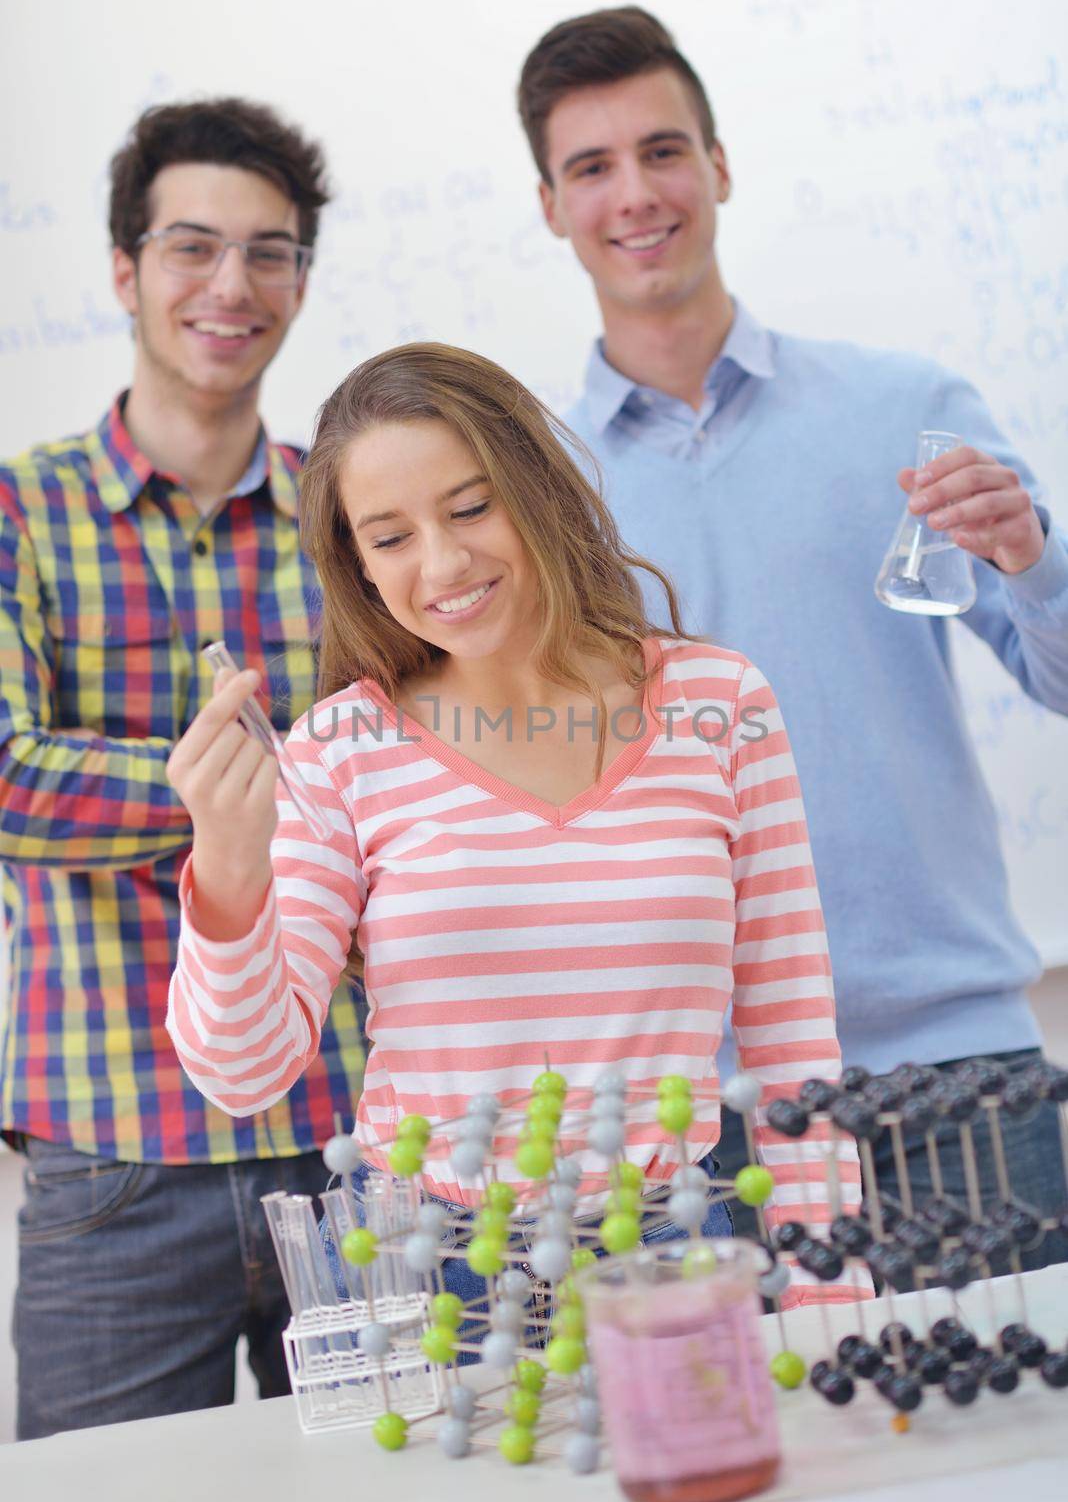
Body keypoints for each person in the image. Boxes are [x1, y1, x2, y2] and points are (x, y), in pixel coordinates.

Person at [516, 5, 1068, 1257]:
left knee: (1033, 1451)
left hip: (955, 1069)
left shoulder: (905, 407)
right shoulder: (531, 492)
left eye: (663, 150)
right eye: (591, 167)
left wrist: (1035, 560)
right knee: (756, 1457)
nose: (636, 193)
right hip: (698, 1107)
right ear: (550, 205)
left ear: (719, 165)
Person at [165, 341, 866, 1310]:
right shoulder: (340, 749)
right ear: (357, 566)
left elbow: (790, 1032)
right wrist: (230, 870)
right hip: (428, 1269)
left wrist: (833, 1287)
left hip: (670, 1247)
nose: (445, 562)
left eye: (470, 507)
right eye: (391, 536)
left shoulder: (721, 703)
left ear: (535, 488)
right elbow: (243, 1073)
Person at [0, 98, 364, 1439]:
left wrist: (276, 803)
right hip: (114, 1156)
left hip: (350, 1138)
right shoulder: (17, 514)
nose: (232, 286)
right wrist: (225, 795)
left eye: (270, 253)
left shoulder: (352, 519)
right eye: (193, 247)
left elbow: (418, 776)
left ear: (302, 283)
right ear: (124, 270)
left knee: (413, 1494)